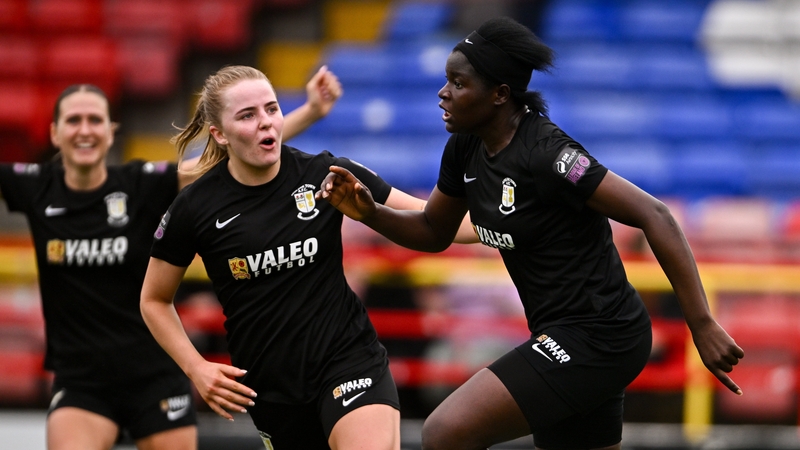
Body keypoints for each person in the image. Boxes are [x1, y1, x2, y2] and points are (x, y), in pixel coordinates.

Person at [316, 17, 745, 450]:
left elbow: (656, 214)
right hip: (561, 334)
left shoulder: (549, 154)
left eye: (458, 83)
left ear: (501, 94)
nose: (443, 93)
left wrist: (702, 324)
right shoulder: (465, 146)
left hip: (602, 335)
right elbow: (433, 230)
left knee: (446, 432)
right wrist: (370, 214)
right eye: (447, 80)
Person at [0, 65, 343, 450]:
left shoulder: (140, 183)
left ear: (111, 130)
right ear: (54, 133)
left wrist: (312, 111)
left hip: (156, 374)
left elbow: (235, 149)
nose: (85, 130)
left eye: (95, 119)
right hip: (82, 381)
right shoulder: (33, 186)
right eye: (73, 120)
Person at [139, 65, 475, 450]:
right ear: (219, 134)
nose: (266, 122)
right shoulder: (194, 207)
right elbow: (154, 300)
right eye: (248, 115)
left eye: (271, 108)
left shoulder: (327, 173)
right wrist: (195, 367)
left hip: (349, 361)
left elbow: (431, 220)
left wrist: (512, 224)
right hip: (272, 390)